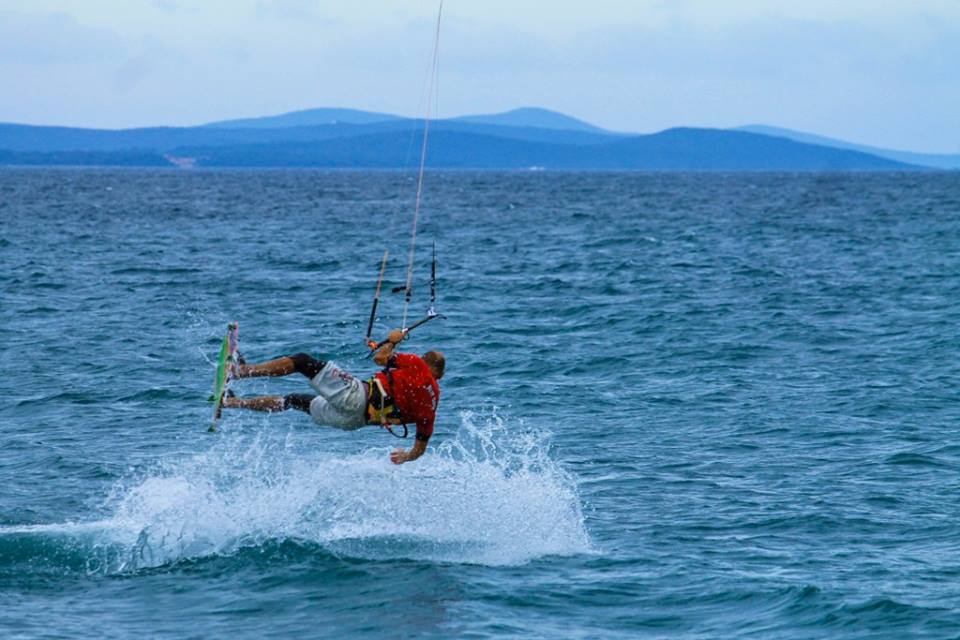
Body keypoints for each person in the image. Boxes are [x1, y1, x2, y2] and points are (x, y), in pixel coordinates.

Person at [221, 329, 444, 465]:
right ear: (440, 376)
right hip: (353, 421)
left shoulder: (417, 365)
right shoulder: (431, 408)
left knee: (302, 361)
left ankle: (239, 372)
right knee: (294, 400)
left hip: (356, 397)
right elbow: (419, 450)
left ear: (426, 362)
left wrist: (393, 340)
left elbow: (380, 358)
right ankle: (230, 402)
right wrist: (404, 457)